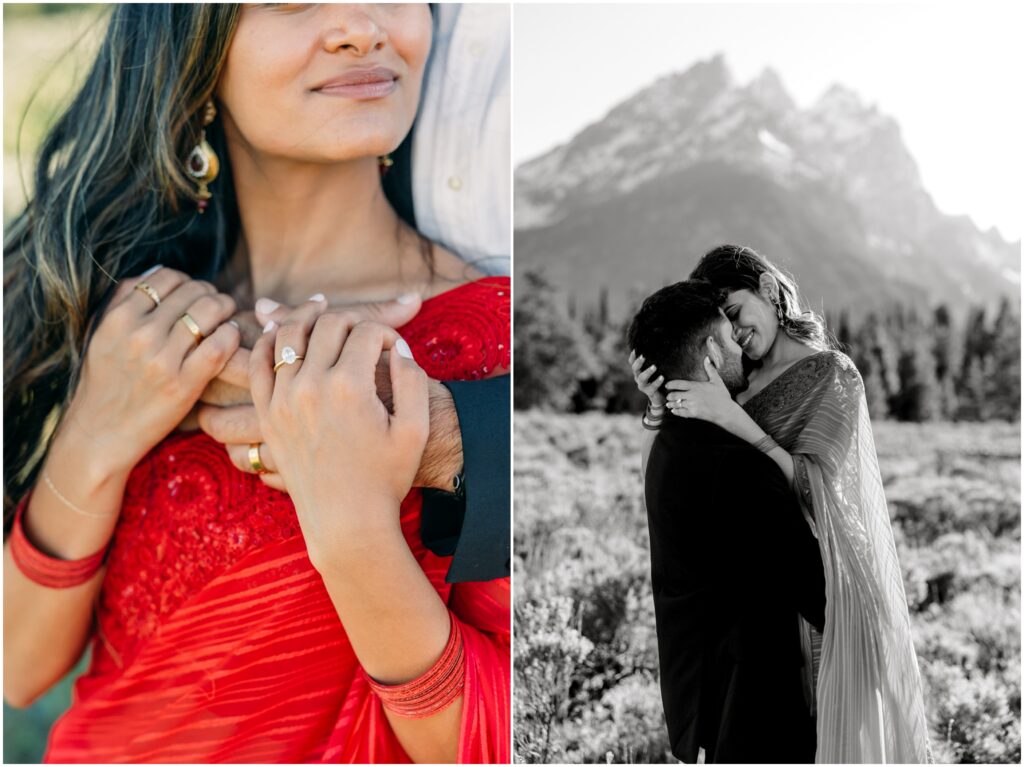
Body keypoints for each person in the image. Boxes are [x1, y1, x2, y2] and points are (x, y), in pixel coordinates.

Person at [3, 5, 508, 763]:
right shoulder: (143, 326)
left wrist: (354, 527)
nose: (362, 26)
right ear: (197, 49)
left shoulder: (488, 351)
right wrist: (92, 436)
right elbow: (19, 667)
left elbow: (496, 738)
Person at [631, 245, 930, 763]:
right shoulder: (734, 377)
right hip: (753, 604)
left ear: (769, 290)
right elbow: (678, 477)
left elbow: (822, 493)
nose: (737, 334)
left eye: (737, 313)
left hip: (821, 576)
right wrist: (661, 407)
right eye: (723, 323)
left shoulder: (832, 374)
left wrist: (732, 419)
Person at [628, 279, 826, 763]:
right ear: (712, 356)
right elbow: (819, 595)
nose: (742, 343)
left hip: (698, 706)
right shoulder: (738, 466)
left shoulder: (666, 448)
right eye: (729, 335)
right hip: (756, 712)